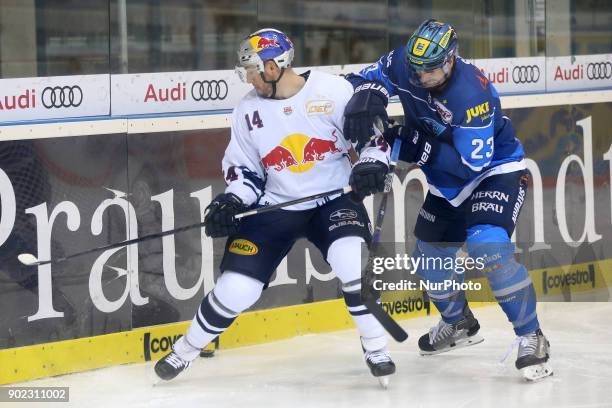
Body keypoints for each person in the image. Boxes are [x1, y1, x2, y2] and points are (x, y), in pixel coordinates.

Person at [154, 28, 396, 386]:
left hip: (334, 200)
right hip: (276, 206)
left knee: (352, 265)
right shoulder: (247, 111)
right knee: (237, 288)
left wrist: (373, 163)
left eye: (251, 70)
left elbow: (372, 140)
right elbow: (245, 171)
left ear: (273, 66)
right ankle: (186, 350)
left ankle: (376, 348)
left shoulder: (333, 91)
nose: (248, 78)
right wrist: (232, 200)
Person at [342, 19, 552, 381]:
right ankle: (459, 324)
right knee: (427, 258)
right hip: (446, 181)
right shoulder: (406, 62)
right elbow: (360, 79)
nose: (420, 76)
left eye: (430, 70)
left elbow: (468, 166)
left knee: (489, 246)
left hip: (492, 172)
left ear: (451, 59)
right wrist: (369, 93)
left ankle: (532, 335)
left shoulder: (471, 95)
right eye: (416, 68)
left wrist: (412, 145)